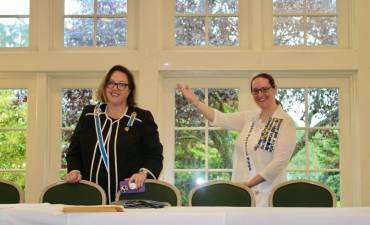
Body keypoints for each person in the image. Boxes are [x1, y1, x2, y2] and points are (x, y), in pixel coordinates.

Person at [177, 73, 296, 206]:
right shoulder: (250, 117)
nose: (260, 94)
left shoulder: (286, 122)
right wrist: (195, 101)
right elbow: (219, 118)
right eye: (255, 91)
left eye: (265, 89)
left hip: (268, 197)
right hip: (243, 194)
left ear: (274, 89)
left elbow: (279, 163)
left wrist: (250, 184)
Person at [65, 65, 163, 203]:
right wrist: (74, 170)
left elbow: (155, 155)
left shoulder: (142, 118)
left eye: (122, 85)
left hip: (128, 195)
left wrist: (143, 173)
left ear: (130, 90)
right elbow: (74, 151)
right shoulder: (89, 114)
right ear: (105, 87)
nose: (115, 88)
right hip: (90, 196)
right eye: (111, 83)